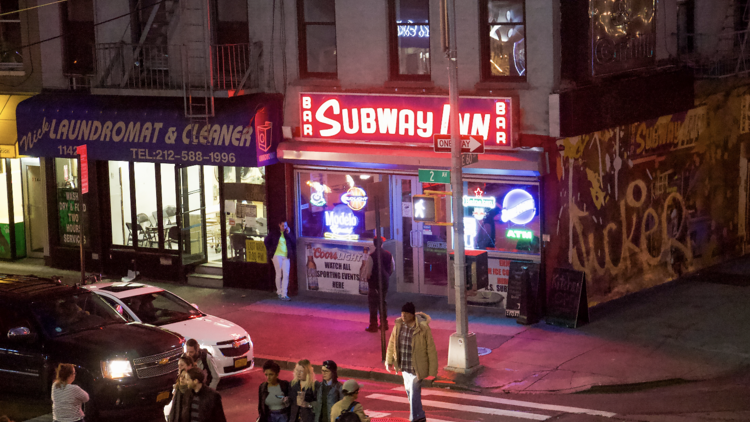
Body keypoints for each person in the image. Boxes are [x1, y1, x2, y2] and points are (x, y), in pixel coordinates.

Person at [385, 303, 437, 422]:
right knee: (409, 392)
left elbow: (431, 348)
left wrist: (433, 369)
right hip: (404, 366)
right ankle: (420, 416)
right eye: (402, 314)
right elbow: (392, 343)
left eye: (406, 314)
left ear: (412, 315)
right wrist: (389, 361)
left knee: (414, 394)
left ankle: (414, 418)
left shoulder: (423, 328)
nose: (403, 316)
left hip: (416, 368)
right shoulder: (398, 326)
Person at [363, 237, 395, 333]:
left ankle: (373, 325)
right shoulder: (389, 255)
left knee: (373, 304)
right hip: (384, 281)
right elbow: (392, 268)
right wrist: (387, 275)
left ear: (374, 244)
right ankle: (384, 324)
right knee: (382, 302)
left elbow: (368, 272)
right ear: (382, 244)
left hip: (374, 283)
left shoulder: (371, 256)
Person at [264, 219, 297, 301]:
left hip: (286, 255)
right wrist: (271, 252)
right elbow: (266, 241)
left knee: (286, 274)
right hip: (277, 255)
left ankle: (284, 293)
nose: (284, 227)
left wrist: (288, 233)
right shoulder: (274, 233)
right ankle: (279, 292)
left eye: (285, 226)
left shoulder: (287, 233)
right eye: (282, 226)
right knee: (279, 274)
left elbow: (294, 242)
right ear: (279, 225)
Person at [165, 355, 197, 421]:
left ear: (190, 366)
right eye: (178, 366)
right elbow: (175, 407)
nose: (179, 368)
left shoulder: (195, 383)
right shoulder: (178, 384)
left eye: (182, 365)